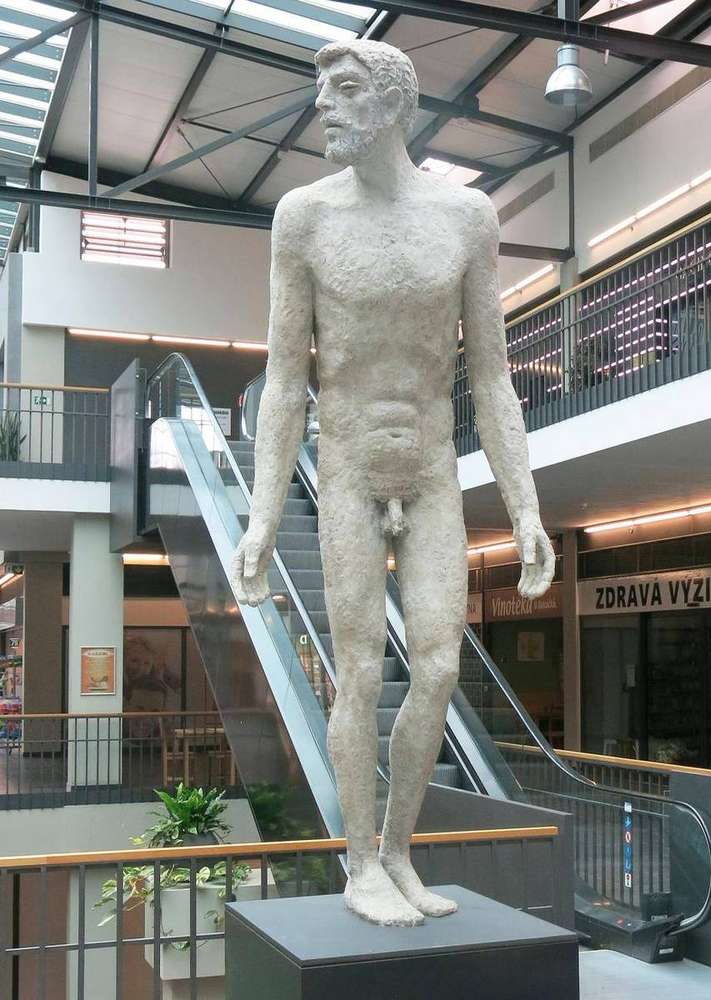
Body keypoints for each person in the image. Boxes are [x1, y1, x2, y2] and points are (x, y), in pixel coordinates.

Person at [231, 39, 555, 927]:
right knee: (361, 672)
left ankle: (400, 851)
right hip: (345, 470)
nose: (323, 107)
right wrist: (262, 515)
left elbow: (491, 375)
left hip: (432, 470)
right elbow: (284, 382)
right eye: (321, 90)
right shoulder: (303, 217)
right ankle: (360, 862)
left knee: (440, 666)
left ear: (395, 104)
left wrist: (524, 506)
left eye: (343, 90)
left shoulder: (466, 217)